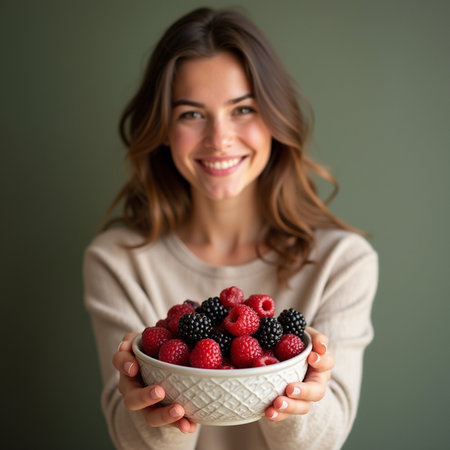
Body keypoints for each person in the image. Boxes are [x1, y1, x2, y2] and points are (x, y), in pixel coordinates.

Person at [83, 7, 378, 450]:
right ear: (163, 128)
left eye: (242, 109)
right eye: (191, 114)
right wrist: (157, 413)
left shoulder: (343, 263)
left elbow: (324, 442)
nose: (219, 138)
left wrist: (295, 401)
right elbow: (134, 443)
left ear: (276, 121)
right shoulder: (116, 261)